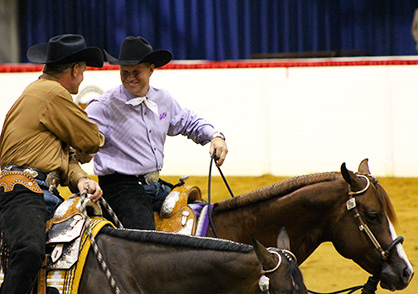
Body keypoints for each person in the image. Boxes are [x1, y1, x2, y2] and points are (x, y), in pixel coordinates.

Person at [85, 36, 228, 230]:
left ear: (151, 69)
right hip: (119, 188)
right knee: (146, 240)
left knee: (198, 217)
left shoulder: (162, 98)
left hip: (154, 185)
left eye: (136, 71)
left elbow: (188, 121)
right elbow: (79, 138)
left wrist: (215, 136)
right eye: (124, 72)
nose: (130, 77)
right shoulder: (103, 106)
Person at [0, 34, 105, 294]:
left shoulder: (41, 93)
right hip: (23, 189)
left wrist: (80, 178)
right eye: (83, 71)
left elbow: (61, 155)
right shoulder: (52, 93)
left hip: (33, 188)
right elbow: (92, 140)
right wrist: (89, 144)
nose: (83, 78)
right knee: (29, 252)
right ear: (74, 70)